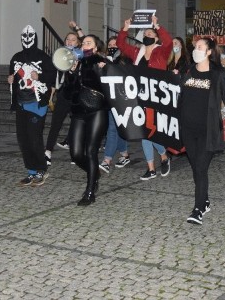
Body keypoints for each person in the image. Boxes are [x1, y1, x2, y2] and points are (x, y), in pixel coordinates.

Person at [179, 37, 225, 225]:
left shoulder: (218, 74)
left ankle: (198, 209)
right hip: (188, 129)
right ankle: (205, 200)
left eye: (200, 47)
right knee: (196, 168)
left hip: (207, 131)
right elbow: (180, 98)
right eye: (195, 47)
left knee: (201, 168)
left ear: (209, 52)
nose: (196, 50)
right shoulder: (188, 71)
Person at [116, 14, 173, 180]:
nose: (147, 36)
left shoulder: (161, 52)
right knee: (143, 131)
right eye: (146, 34)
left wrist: (157, 26)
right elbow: (121, 44)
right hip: (139, 96)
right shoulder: (136, 52)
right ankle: (151, 168)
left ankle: (163, 155)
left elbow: (168, 42)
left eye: (151, 34)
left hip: (156, 96)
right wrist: (125, 29)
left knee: (151, 131)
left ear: (156, 38)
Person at [8, 25, 55, 187]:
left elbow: (53, 76)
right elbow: (13, 76)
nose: (27, 40)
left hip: (36, 103)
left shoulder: (43, 57)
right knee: (23, 139)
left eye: (29, 37)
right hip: (21, 104)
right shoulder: (16, 57)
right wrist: (11, 80)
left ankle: (41, 169)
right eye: (24, 37)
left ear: (34, 38)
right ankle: (31, 171)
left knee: (34, 138)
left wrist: (40, 75)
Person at [66, 34, 109, 205]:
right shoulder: (75, 63)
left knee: (91, 151)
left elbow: (109, 84)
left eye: (88, 43)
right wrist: (71, 72)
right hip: (78, 112)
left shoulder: (100, 61)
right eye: (83, 43)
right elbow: (67, 93)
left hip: (97, 111)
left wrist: (102, 69)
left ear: (96, 47)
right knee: (76, 153)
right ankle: (94, 173)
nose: (84, 45)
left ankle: (90, 191)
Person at [44, 27, 82, 161]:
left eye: (73, 40)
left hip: (77, 95)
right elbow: (55, 78)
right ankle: (48, 151)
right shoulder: (60, 56)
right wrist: (51, 95)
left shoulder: (80, 58)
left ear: (77, 43)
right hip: (63, 95)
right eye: (68, 39)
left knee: (77, 123)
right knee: (56, 123)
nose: (70, 41)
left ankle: (75, 152)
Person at [98, 39, 131, 174]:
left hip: (121, 99)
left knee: (113, 129)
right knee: (117, 129)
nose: (112, 47)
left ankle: (107, 160)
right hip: (108, 99)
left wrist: (109, 64)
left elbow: (125, 75)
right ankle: (124, 154)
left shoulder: (125, 60)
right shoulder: (103, 60)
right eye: (110, 45)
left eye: (115, 45)